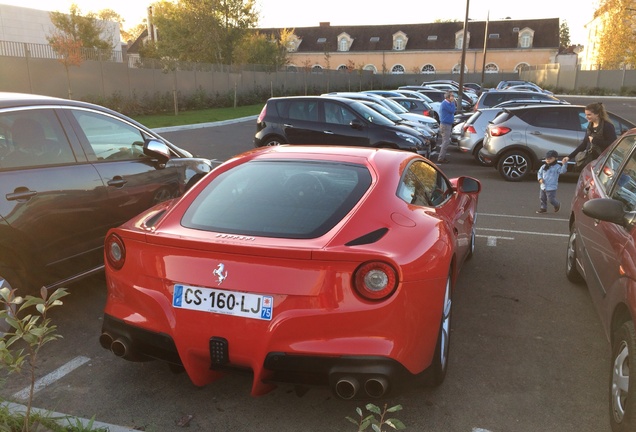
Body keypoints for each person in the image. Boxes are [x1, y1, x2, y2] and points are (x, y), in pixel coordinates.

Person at [563, 102, 617, 169]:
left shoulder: (607, 126)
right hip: (589, 162)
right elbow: (584, 144)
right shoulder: (590, 126)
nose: (586, 117)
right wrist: (569, 157)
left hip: (602, 162)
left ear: (597, 114)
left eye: (589, 115)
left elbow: (613, 144)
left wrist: (595, 141)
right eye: (586, 114)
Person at [436, 91, 456, 164]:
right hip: (445, 125)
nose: (453, 97)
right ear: (448, 97)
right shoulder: (445, 104)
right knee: (445, 142)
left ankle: (442, 157)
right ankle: (441, 158)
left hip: (447, 124)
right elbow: (452, 110)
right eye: (452, 96)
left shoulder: (448, 104)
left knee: (445, 142)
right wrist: (453, 102)